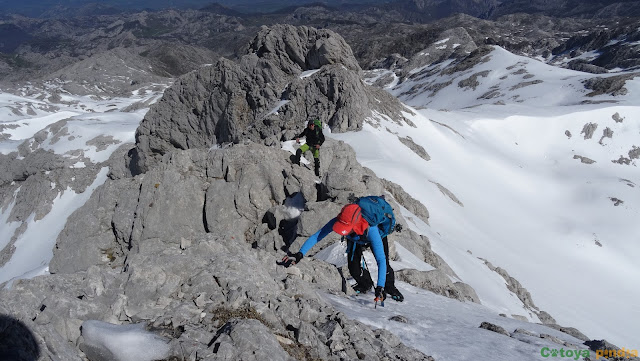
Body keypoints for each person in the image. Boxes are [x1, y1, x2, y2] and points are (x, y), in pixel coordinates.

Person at [282, 200, 404, 303]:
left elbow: (381, 261)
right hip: (355, 238)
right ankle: (364, 284)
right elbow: (317, 236)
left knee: (385, 266)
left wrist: (380, 286)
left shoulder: (372, 230)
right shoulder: (341, 219)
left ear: (354, 226)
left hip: (374, 236)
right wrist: (299, 254)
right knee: (353, 268)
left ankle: (390, 288)